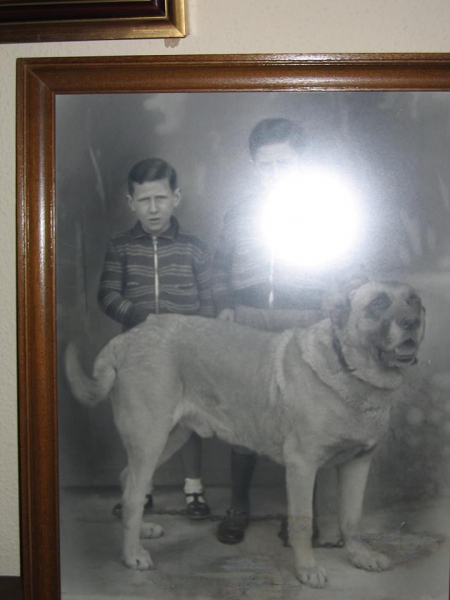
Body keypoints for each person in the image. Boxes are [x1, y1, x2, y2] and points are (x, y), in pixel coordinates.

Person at [212, 118, 334, 544]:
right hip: (249, 318)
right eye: (266, 166)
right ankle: (238, 506)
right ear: (253, 166)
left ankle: (301, 517)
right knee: (244, 413)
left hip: (303, 321)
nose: (275, 174)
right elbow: (220, 266)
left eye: (284, 164)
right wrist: (226, 306)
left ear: (301, 164)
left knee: (306, 422)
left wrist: (327, 314)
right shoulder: (241, 211)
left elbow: (339, 270)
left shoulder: (320, 212)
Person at [98, 157, 213, 520]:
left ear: (176, 197)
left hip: (186, 354)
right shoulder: (120, 247)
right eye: (144, 200)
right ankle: (141, 490)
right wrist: (147, 321)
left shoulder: (194, 247)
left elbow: (208, 301)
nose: (153, 208)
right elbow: (108, 296)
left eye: (160, 198)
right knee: (140, 424)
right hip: (139, 355)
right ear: (131, 202)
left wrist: (194, 333)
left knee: (188, 421)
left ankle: (194, 490)